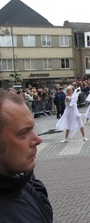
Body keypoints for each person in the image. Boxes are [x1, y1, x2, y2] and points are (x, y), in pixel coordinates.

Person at [0, 90, 53, 222]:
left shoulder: (17, 178)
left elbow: (43, 211)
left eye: (33, 129)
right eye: (24, 132)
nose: (38, 139)